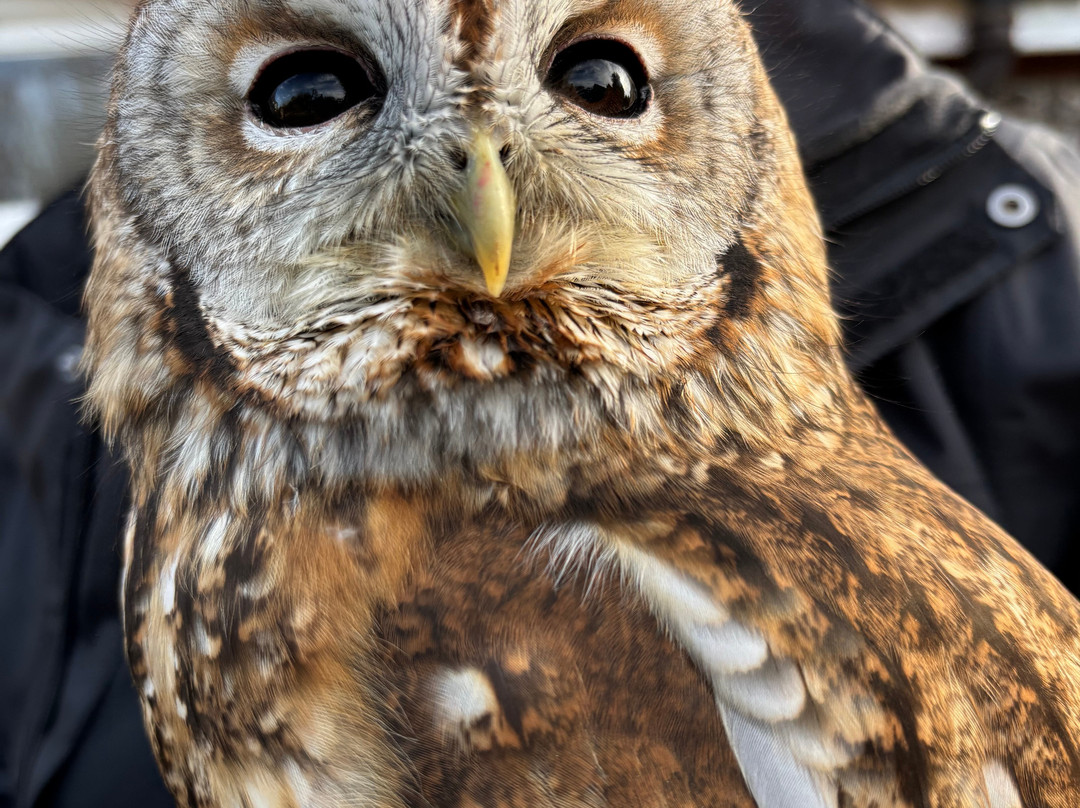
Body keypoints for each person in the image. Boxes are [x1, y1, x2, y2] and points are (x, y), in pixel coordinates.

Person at [2, 0, 1078, 804]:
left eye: (602, 84)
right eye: (309, 96)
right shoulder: (46, 339)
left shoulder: (550, 592)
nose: (487, 180)